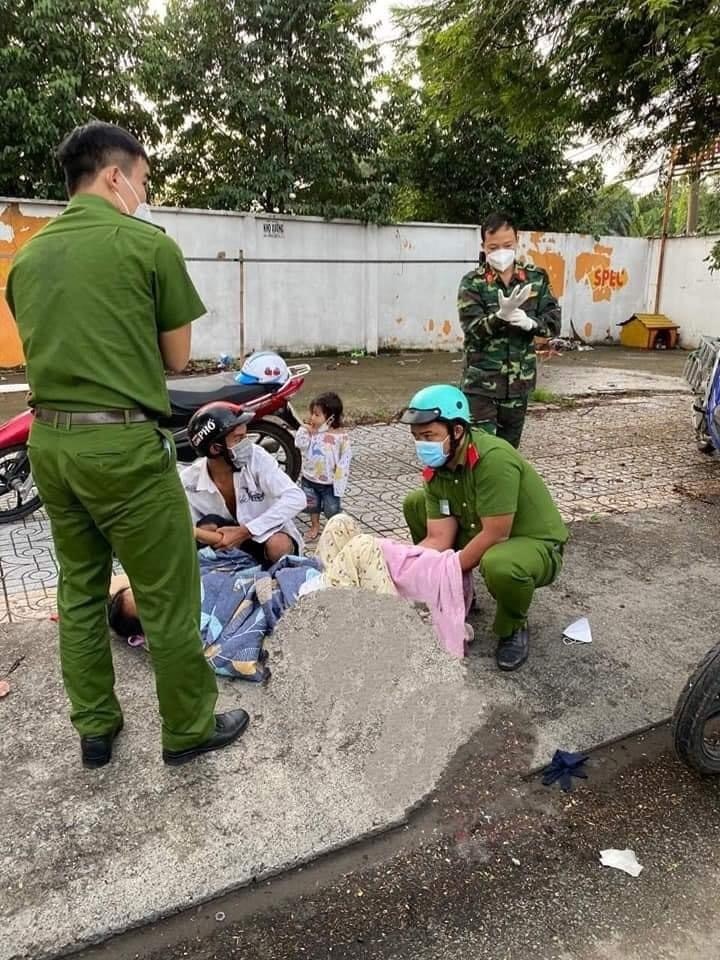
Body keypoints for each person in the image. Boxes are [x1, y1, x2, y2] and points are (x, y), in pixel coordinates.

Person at [4, 121, 248, 768]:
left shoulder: (24, 259)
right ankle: (188, 729)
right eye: (142, 181)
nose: (144, 193)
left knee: (79, 589)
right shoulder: (147, 244)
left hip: (50, 444)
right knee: (167, 593)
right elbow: (175, 357)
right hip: (123, 448)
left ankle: (96, 730)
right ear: (115, 174)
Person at [400, 384, 568, 671]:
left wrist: (446, 572)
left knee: (499, 564)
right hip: (481, 529)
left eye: (429, 436)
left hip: (530, 542)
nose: (422, 445)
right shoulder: (438, 468)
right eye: (417, 437)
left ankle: (513, 624)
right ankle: (462, 592)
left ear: (457, 430)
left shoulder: (493, 459)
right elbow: (438, 537)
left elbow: (496, 533)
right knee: (415, 503)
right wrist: (403, 565)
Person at [458, 211, 561, 448]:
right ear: (483, 246)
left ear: (517, 241)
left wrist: (531, 323)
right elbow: (472, 329)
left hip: (518, 384)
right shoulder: (472, 282)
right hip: (481, 385)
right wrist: (500, 317)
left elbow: (553, 322)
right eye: (493, 247)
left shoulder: (536, 278)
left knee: (507, 455)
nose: (501, 251)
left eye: (507, 245)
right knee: (480, 453)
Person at [182, 401, 306, 565]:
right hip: (224, 547)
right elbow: (188, 532)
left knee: (279, 545)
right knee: (206, 527)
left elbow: (296, 497)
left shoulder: (257, 457)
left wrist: (246, 531)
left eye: (246, 436)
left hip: (265, 537)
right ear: (215, 448)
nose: (247, 444)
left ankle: (279, 576)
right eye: (238, 439)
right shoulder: (189, 481)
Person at [295, 391, 352, 541]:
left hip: (330, 482)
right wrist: (304, 430)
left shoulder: (341, 437)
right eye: (312, 414)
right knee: (312, 506)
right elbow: (299, 444)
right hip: (310, 478)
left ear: (331, 417)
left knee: (331, 509)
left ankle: (337, 527)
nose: (312, 418)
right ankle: (314, 526)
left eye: (317, 415)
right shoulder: (312, 433)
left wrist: (340, 480)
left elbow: (345, 459)